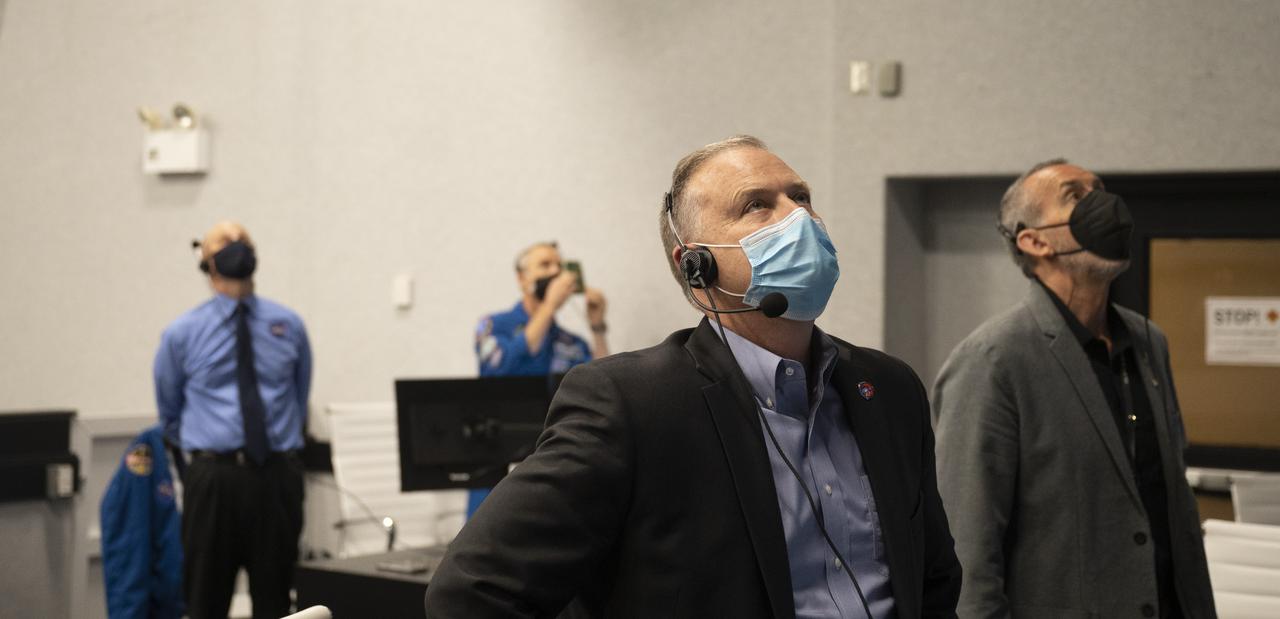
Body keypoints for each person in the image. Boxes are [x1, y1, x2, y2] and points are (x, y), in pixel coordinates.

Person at [426, 136, 961, 618]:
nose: (798, 216)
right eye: (757, 205)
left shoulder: (890, 389)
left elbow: (933, 582)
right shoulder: (631, 403)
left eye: (800, 197)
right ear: (695, 265)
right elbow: (473, 591)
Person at [932, 160, 1215, 618]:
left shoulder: (1149, 342)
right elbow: (968, 551)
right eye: (1076, 195)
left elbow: (1175, 510)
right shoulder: (992, 360)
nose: (1103, 203)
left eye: (1099, 189)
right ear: (1034, 241)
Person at [154, 221, 312, 619]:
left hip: (275, 476)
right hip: (214, 479)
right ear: (207, 263)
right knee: (206, 600)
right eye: (224, 244)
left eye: (243, 241)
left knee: (276, 601)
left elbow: (298, 397)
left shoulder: (288, 325)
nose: (236, 247)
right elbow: (169, 412)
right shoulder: (182, 333)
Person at [467, 242, 608, 514]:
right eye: (545, 265)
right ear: (522, 279)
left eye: (559, 265)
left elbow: (603, 388)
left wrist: (597, 327)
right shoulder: (491, 326)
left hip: (555, 467)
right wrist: (549, 306)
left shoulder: (571, 342)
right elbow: (501, 366)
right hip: (495, 469)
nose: (556, 272)